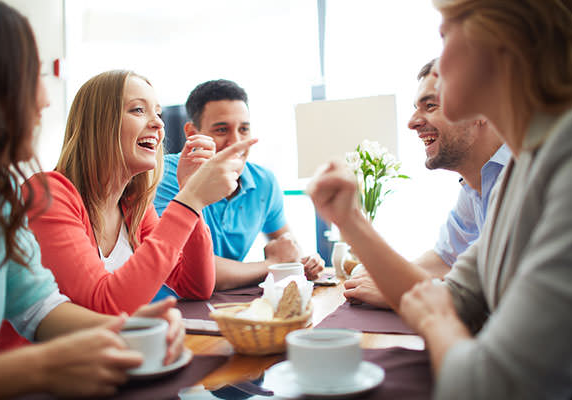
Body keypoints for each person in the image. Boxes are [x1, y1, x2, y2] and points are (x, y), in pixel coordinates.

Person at [307, 0, 572, 398]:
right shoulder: (518, 171)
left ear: (503, 44)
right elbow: (457, 297)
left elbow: (490, 386)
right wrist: (350, 220)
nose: (438, 66)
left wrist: (435, 322)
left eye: (445, 36)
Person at [0, 0, 184, 397]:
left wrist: (132, 328)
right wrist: (42, 366)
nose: (46, 100)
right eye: (34, 76)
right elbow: (103, 299)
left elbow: (38, 306)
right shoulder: (47, 193)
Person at [0, 71, 257, 351]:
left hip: (99, 360)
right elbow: (104, 306)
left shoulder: (133, 205)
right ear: (99, 124)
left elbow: (196, 285)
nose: (157, 123)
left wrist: (190, 193)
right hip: (29, 377)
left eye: (157, 113)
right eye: (138, 110)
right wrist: (189, 201)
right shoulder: (48, 194)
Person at [344, 58, 510, 307]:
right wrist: (386, 278)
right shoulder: (474, 183)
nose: (412, 122)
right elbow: (445, 257)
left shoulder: (526, 176)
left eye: (430, 106)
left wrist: (401, 291)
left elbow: (501, 294)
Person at [154, 79, 324, 291]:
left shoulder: (264, 181)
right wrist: (272, 265)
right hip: (170, 311)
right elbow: (191, 272)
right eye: (222, 130)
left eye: (244, 129)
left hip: (227, 308)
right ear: (191, 133)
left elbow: (288, 247)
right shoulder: (167, 175)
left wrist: (304, 260)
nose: (236, 142)